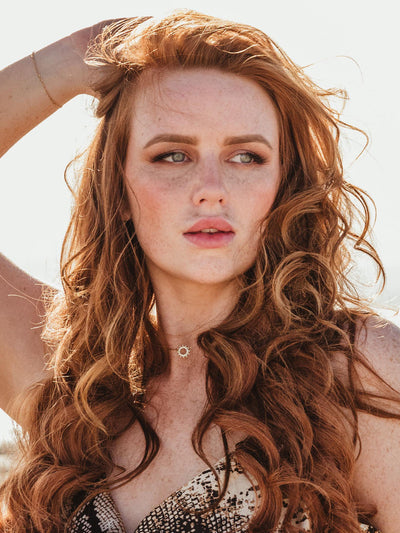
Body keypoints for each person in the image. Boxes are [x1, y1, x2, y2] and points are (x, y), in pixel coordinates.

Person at [0, 10, 399, 533]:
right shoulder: (74, 381)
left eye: (246, 157)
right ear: (118, 191)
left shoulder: (356, 369)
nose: (211, 187)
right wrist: (73, 58)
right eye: (172, 155)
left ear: (283, 187)